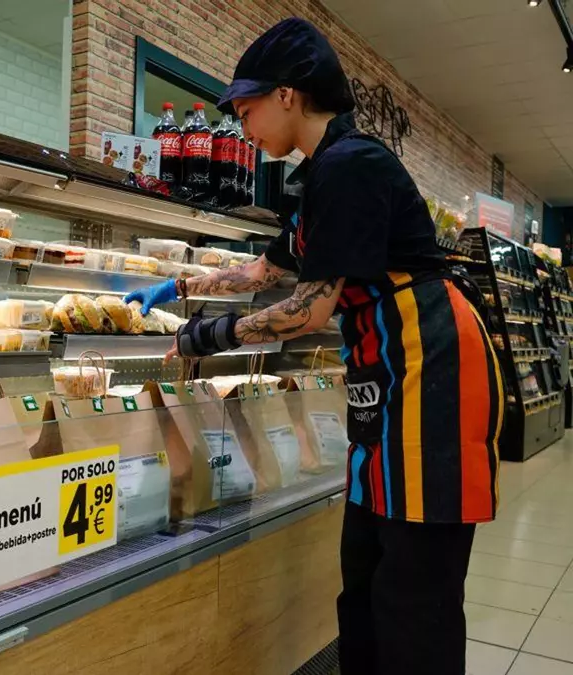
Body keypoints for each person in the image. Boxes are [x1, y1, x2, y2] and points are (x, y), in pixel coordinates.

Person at [124, 17, 502, 675]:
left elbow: (308, 309)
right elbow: (261, 272)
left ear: (288, 94)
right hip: (387, 376)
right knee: (364, 577)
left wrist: (203, 335)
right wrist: (177, 286)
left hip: (433, 369)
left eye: (247, 109)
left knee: (416, 597)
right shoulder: (320, 176)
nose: (243, 127)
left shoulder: (352, 166)